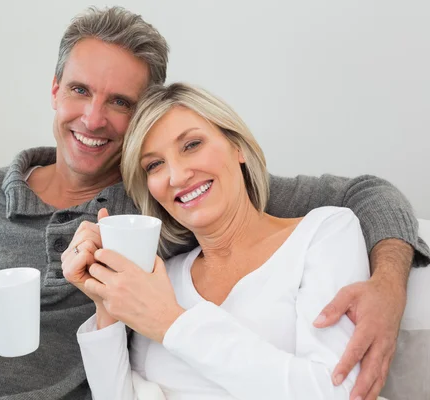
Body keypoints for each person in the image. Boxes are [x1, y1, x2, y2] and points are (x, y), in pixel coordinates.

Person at [0, 6, 428, 400]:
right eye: (80, 90)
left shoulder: (165, 198)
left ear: (144, 116)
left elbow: (363, 194)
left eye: (120, 102)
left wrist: (389, 282)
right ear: (55, 90)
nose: (93, 118)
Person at [63, 82, 376, 399]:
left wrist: (171, 322)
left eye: (192, 145)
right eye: (155, 165)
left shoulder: (323, 234)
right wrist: (107, 307)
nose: (178, 176)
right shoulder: (162, 277)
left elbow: (334, 391)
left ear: (237, 146)